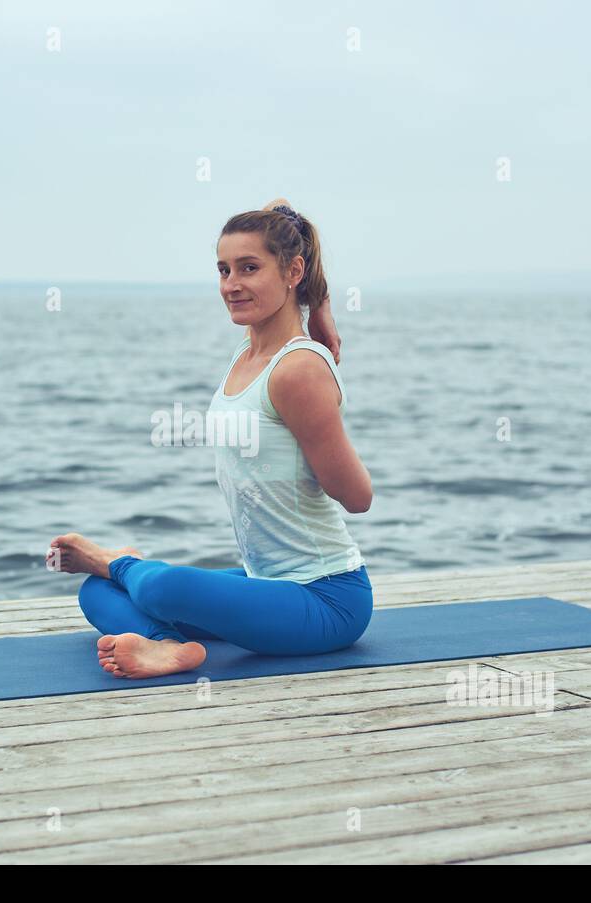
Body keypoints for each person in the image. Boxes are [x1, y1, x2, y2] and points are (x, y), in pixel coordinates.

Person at [48, 198, 374, 678]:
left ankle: (116, 561)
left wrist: (316, 308)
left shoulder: (299, 371)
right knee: (97, 591)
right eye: (224, 270)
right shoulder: (249, 352)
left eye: (249, 268)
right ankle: (166, 646)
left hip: (325, 597)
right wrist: (319, 301)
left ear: (293, 271)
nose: (232, 284)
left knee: (162, 588)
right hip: (265, 581)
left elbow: (358, 498)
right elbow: (286, 216)